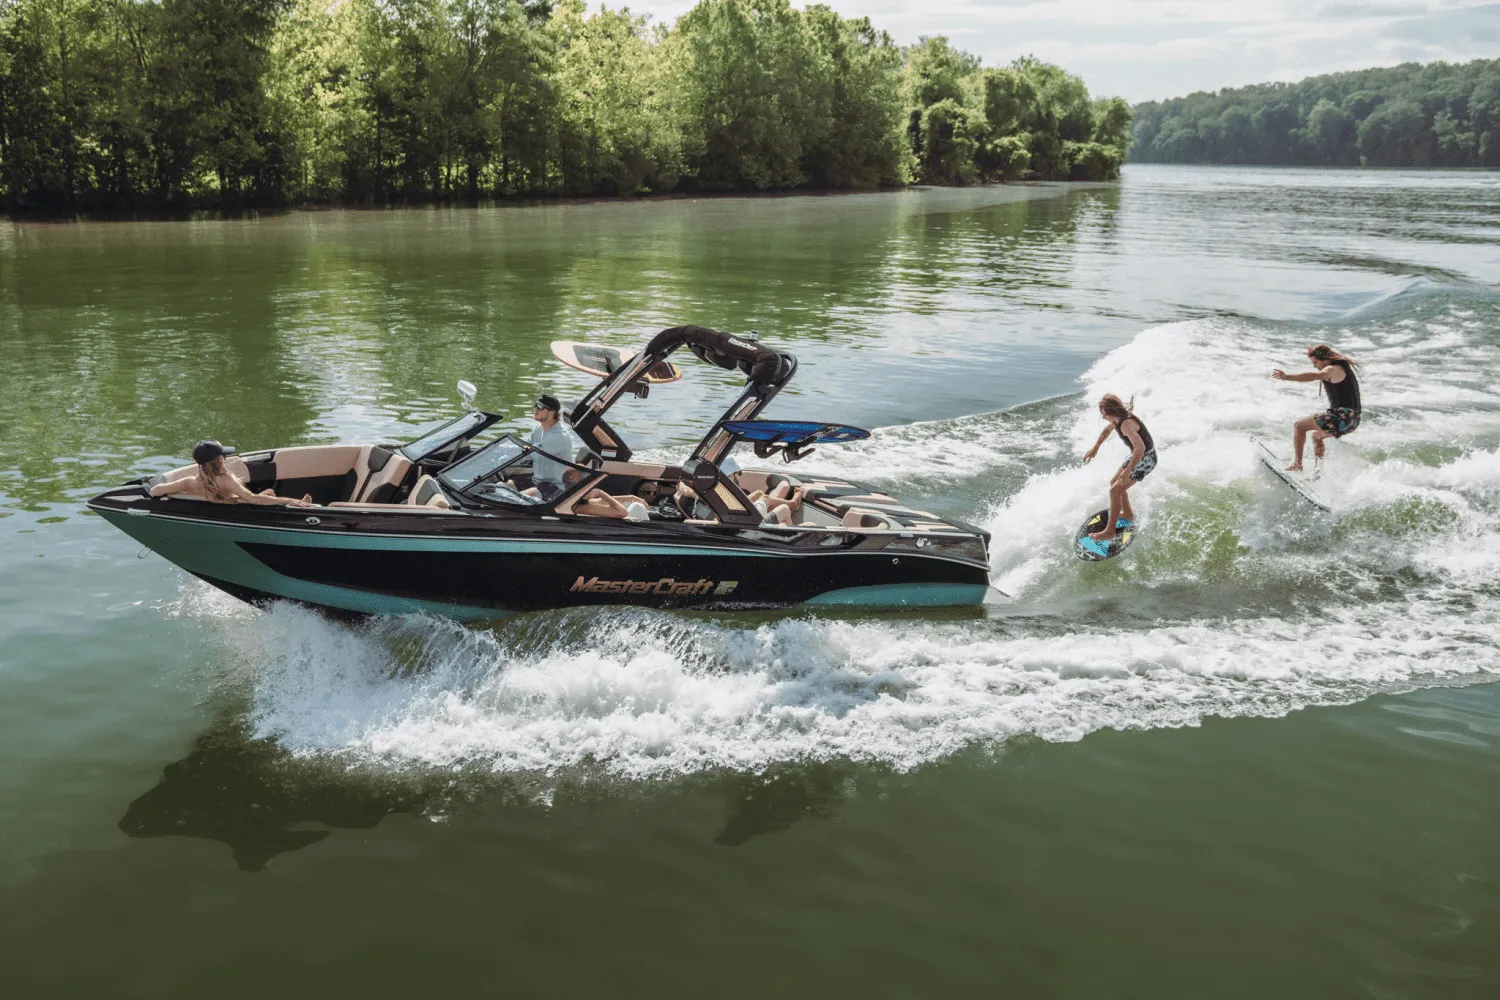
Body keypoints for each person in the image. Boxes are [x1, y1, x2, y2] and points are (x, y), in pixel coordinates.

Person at [1272, 344, 1361, 473]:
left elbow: (1314, 376)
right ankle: (1318, 473)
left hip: (1342, 417)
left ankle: (1297, 464)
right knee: (1316, 436)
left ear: (1324, 359)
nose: (1314, 366)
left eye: (1315, 362)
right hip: (1353, 422)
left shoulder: (1332, 369)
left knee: (1299, 426)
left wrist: (1287, 377)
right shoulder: (1341, 369)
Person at [1082, 394, 1156, 543]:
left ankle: (1109, 532)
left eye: (1104, 415)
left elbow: (1140, 449)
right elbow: (1107, 430)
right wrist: (1095, 448)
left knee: (1115, 490)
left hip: (1146, 459)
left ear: (1111, 412)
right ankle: (1128, 515)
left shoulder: (1126, 425)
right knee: (1114, 483)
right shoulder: (1118, 419)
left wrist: (1127, 471)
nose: (1103, 418)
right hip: (1137, 455)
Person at [149, 440, 314, 507]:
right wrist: (290, 500)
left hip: (216, 511)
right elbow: (252, 499)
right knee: (270, 492)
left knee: (268, 492)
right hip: (242, 510)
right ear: (220, 459)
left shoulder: (189, 483)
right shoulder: (226, 480)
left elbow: (155, 491)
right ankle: (299, 503)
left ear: (195, 460)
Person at [528, 394, 574, 501]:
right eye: (535, 405)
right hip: (537, 479)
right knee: (502, 485)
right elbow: (525, 447)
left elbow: (530, 453)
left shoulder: (559, 436)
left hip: (555, 487)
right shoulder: (538, 428)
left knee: (511, 497)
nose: (535, 409)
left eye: (540, 407)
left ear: (552, 412)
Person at [576, 489, 651, 521]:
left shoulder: (576, 503)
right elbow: (623, 512)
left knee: (632, 504)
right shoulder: (580, 508)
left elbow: (600, 501)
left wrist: (631, 498)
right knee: (638, 507)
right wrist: (600, 493)